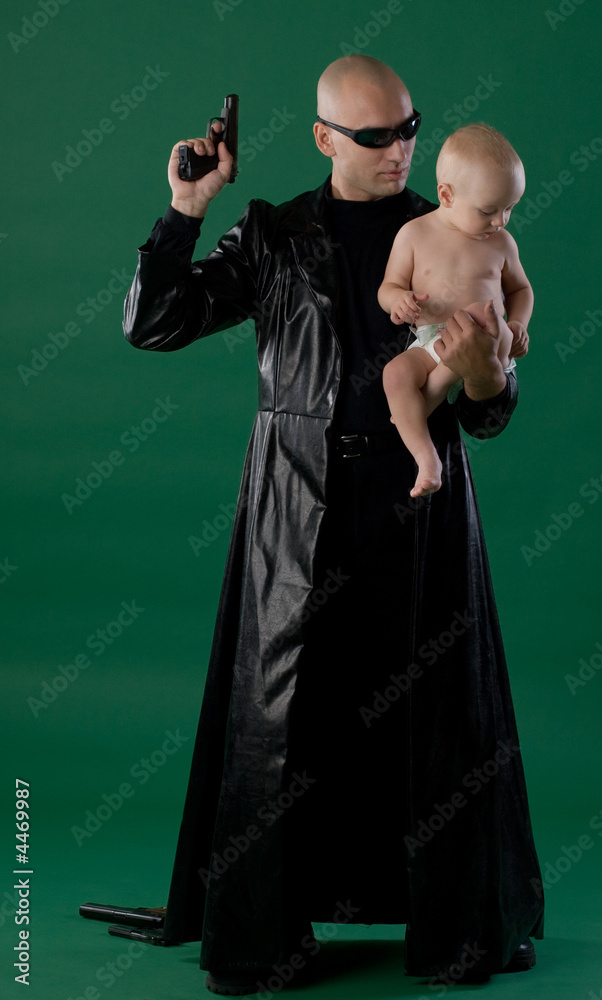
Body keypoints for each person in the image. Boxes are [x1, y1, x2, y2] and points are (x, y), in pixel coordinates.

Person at [123, 55, 544, 994]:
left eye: (410, 129)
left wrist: (489, 370)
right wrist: (186, 209)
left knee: (439, 714)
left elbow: (486, 416)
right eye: (375, 136)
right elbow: (154, 323)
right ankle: (263, 937)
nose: (400, 150)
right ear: (324, 138)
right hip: (295, 501)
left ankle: (459, 933)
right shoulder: (273, 235)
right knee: (280, 722)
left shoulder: (454, 228)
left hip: (420, 501)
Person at [378, 123, 533, 498]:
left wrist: (518, 322)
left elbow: (521, 289)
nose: (500, 221)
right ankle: (426, 459)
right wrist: (398, 300)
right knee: (394, 374)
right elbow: (388, 287)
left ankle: (428, 397)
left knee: (480, 313)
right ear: (446, 195)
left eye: (509, 209)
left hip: (488, 342)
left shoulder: (501, 243)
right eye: (488, 211)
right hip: (432, 340)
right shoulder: (414, 235)